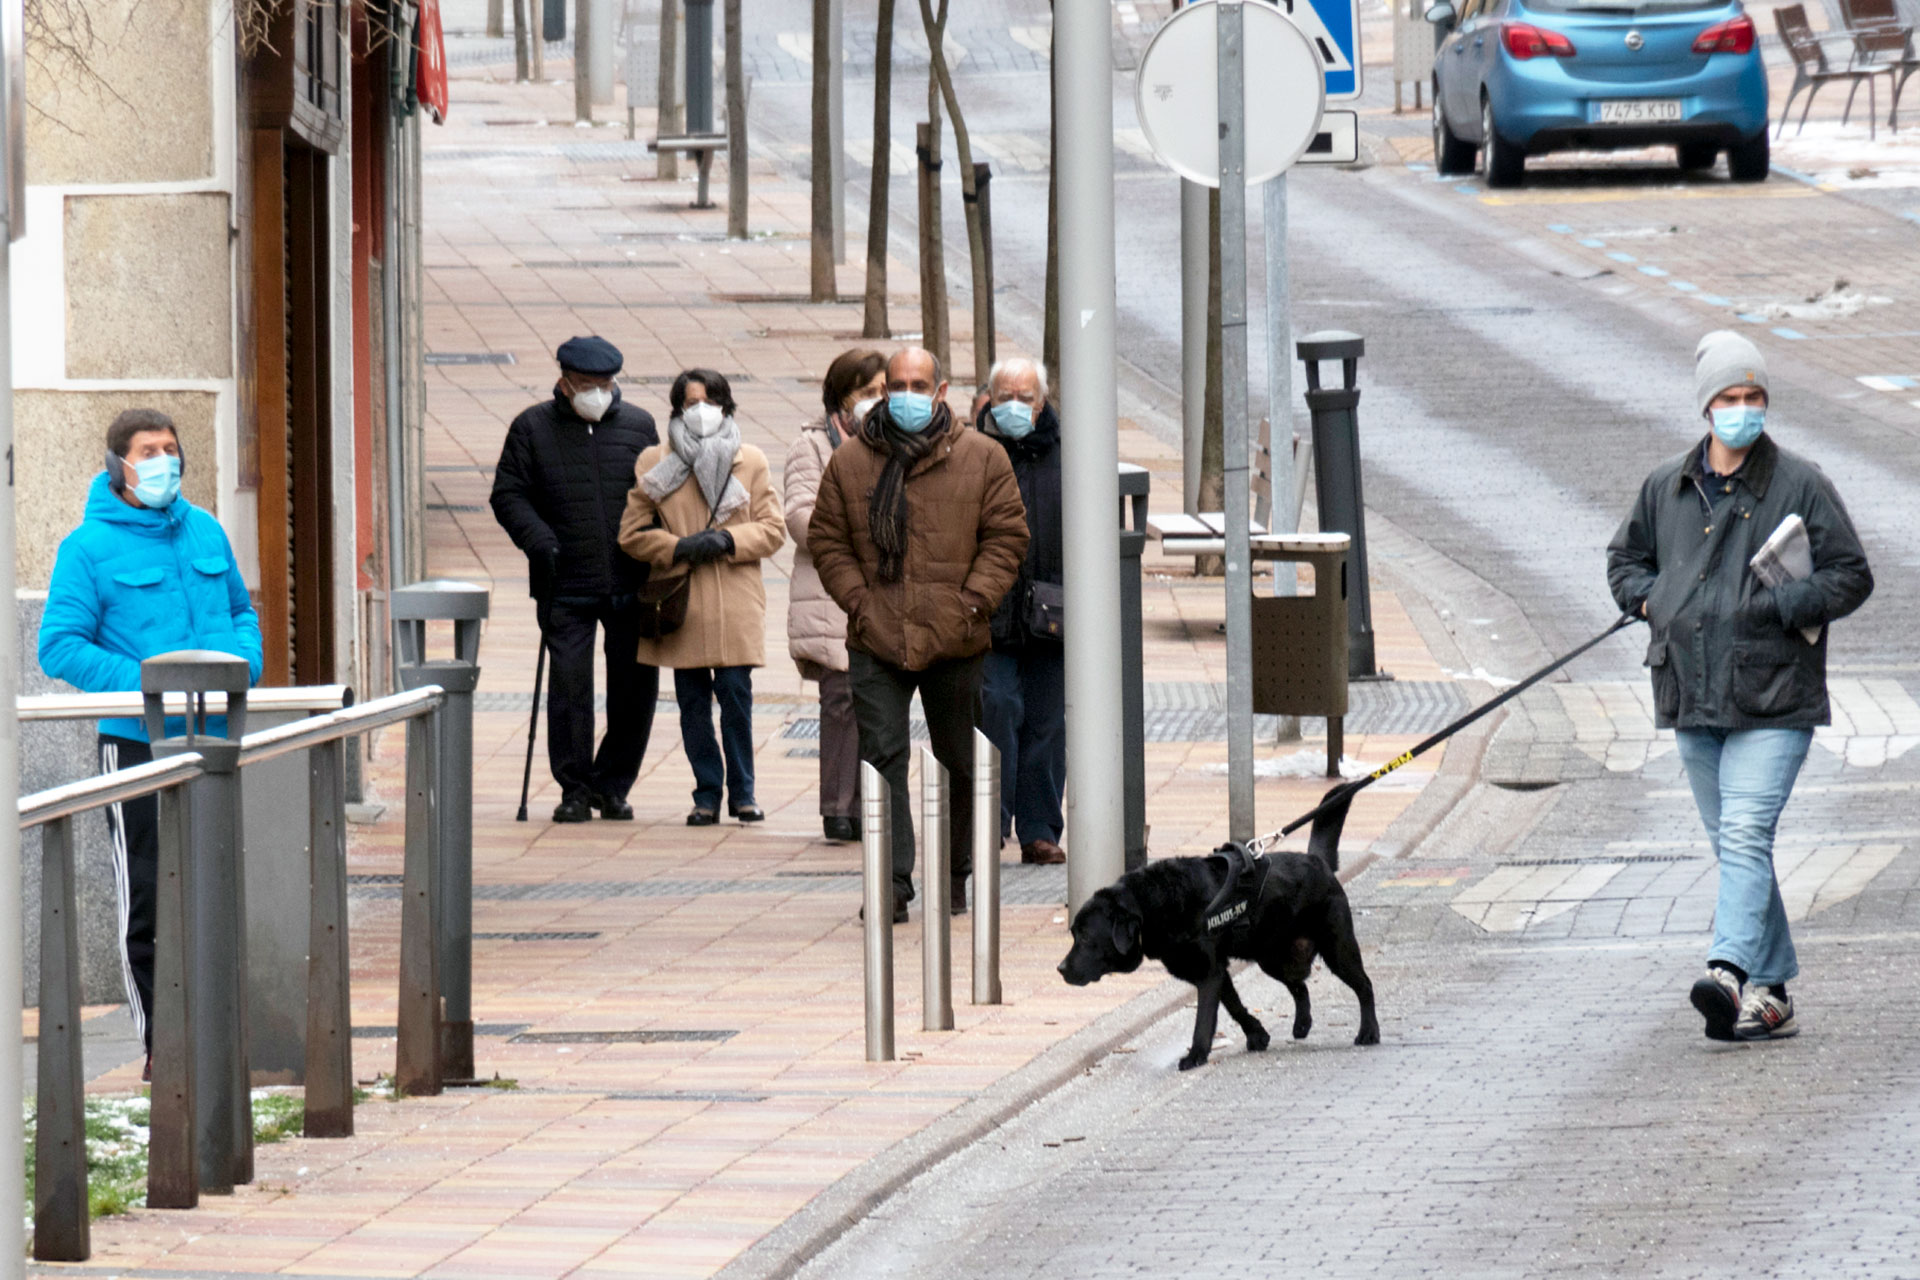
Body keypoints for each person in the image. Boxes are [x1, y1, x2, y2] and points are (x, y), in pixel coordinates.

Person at [1607, 331, 1872, 1043]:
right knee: (1736, 846)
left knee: (1747, 830)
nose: (1745, 410)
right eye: (1731, 397)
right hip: (1691, 693)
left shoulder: (1799, 483)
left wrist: (1780, 606)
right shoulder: (1666, 486)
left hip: (1774, 695)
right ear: (1706, 406)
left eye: (1755, 397)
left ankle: (1726, 971)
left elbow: (1851, 574)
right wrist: (1647, 599)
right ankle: (1774, 988)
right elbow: (1624, 560)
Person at [39, 409, 263, 1072]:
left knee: (216, 888)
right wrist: (153, 684)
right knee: (150, 898)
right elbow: (59, 646)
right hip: (137, 744)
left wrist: (241, 667)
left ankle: (221, 1040)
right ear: (119, 465)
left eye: (171, 447)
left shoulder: (206, 531)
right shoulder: (87, 548)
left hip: (217, 739)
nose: (165, 460)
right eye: (149, 450)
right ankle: (162, 1049)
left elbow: (243, 614)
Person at [809, 347, 1030, 920]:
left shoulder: (982, 457)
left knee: (959, 760)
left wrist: (973, 605)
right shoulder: (852, 460)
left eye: (917, 384)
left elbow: (1006, 537)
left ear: (941, 391)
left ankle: (955, 875)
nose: (904, 394)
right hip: (876, 636)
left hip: (956, 637)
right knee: (882, 757)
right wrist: (859, 604)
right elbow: (827, 540)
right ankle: (891, 884)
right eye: (896, 384)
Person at [491, 335, 662, 824]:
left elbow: (659, 491)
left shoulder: (638, 426)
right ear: (565, 384)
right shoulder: (532, 428)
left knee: (634, 689)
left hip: (630, 579)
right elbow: (508, 495)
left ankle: (613, 784)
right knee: (569, 689)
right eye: (587, 384)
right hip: (563, 581)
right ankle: (573, 786)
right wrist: (539, 541)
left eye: (605, 384)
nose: (597, 393)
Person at [620, 369, 785, 825]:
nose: (701, 411)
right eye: (691, 403)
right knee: (692, 705)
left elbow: (774, 529)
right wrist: (676, 547)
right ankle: (707, 793)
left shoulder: (749, 459)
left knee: (736, 697)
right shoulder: (656, 461)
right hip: (680, 600)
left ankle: (744, 792)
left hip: (734, 600)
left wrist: (730, 541)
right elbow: (631, 534)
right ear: (677, 409)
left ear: (727, 407)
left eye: (710, 401)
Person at [786, 349, 887, 843]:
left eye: (883, 392)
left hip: (883, 595)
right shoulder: (811, 447)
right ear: (841, 396)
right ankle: (837, 806)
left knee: (877, 705)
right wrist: (858, 532)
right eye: (867, 393)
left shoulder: (895, 443)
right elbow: (799, 517)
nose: (877, 402)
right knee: (840, 702)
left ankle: (872, 802)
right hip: (829, 595)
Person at [977, 357, 1068, 866]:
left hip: (1052, 611)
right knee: (998, 707)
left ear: (1042, 402)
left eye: (1025, 397)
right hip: (991, 611)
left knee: (1047, 722)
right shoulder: (973, 451)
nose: (1015, 406)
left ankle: (1039, 829)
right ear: (989, 399)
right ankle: (991, 819)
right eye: (1004, 396)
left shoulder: (1066, 454)